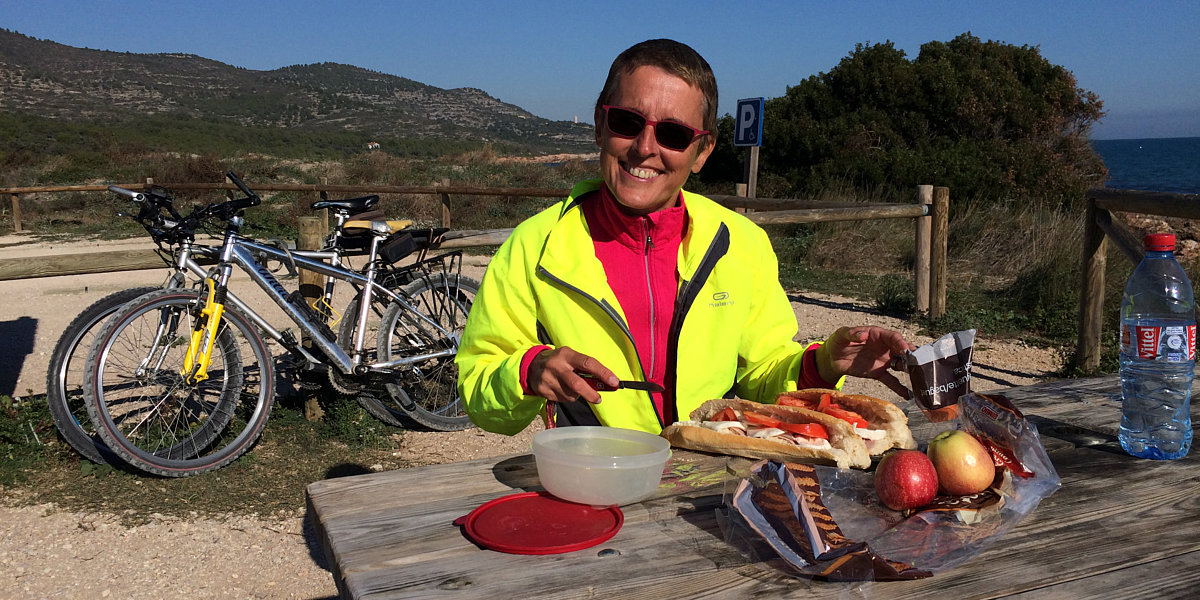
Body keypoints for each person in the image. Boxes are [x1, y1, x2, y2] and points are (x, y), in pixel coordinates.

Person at [457, 39, 915, 435]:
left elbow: (763, 373)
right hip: (595, 482)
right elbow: (478, 387)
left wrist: (821, 364)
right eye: (627, 122)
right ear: (600, 124)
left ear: (702, 151)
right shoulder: (533, 247)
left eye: (674, 134)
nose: (645, 147)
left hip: (712, 484)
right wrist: (526, 370)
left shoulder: (740, 242)